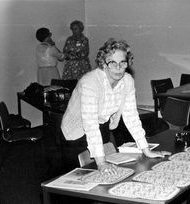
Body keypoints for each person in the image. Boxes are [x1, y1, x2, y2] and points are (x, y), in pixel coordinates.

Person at [61, 38, 170, 173]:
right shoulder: (90, 82)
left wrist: (146, 150)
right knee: (82, 177)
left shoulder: (128, 81)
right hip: (75, 132)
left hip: (101, 126)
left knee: (108, 175)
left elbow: (132, 118)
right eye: (112, 63)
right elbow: (90, 124)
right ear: (104, 64)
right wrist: (101, 162)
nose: (118, 68)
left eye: (122, 63)